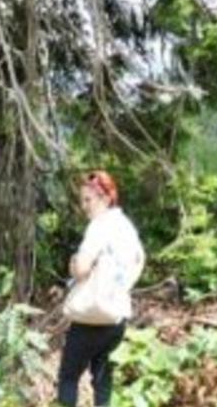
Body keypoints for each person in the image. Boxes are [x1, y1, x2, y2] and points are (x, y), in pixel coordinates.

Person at [57, 170, 145, 407]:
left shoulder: (99, 226)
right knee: (103, 379)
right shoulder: (126, 227)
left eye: (88, 200)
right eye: (82, 200)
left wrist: (74, 262)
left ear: (106, 198)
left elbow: (82, 268)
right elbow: (138, 261)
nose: (84, 206)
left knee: (68, 377)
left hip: (90, 317)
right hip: (116, 316)